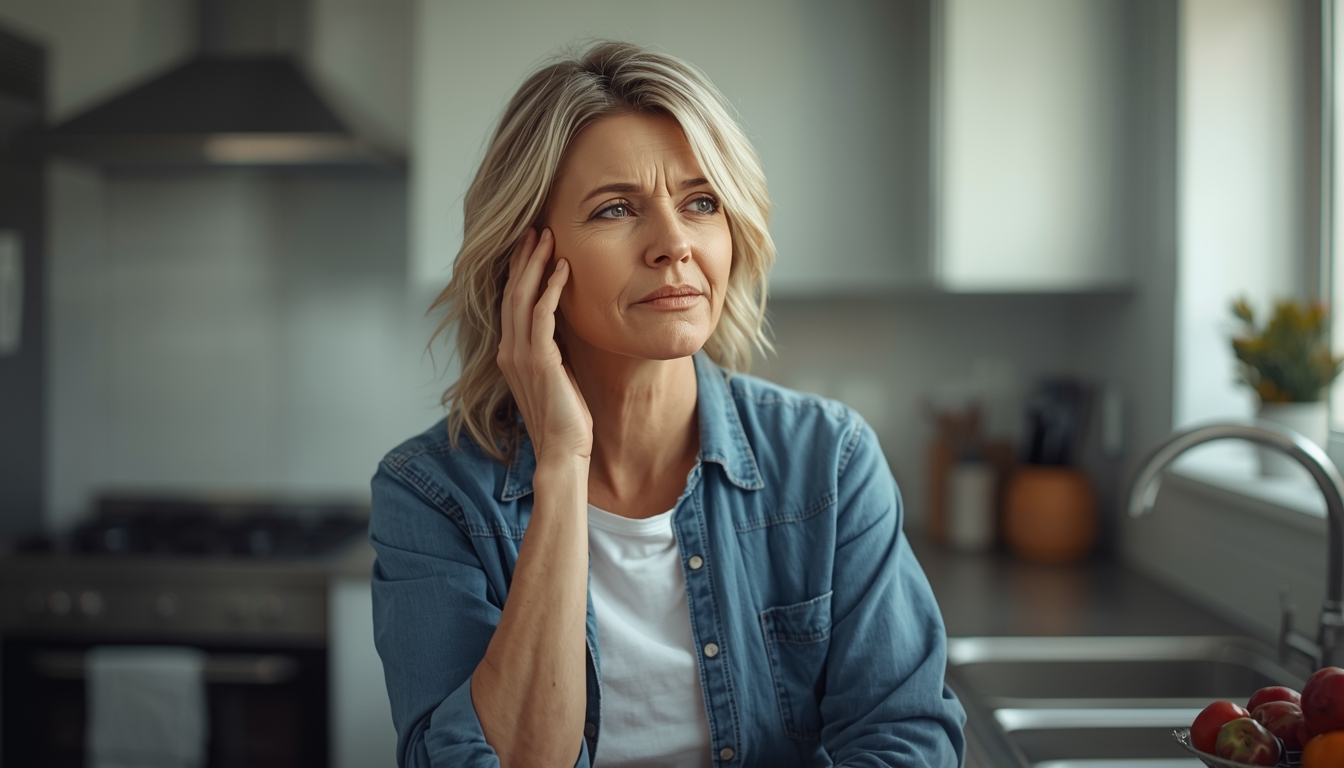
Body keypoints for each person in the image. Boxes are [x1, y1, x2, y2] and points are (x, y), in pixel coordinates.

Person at [369, 41, 966, 768]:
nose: (674, 244)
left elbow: (907, 739)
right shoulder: (430, 495)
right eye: (616, 208)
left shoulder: (830, 461)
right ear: (524, 259)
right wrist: (560, 465)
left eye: (701, 202)